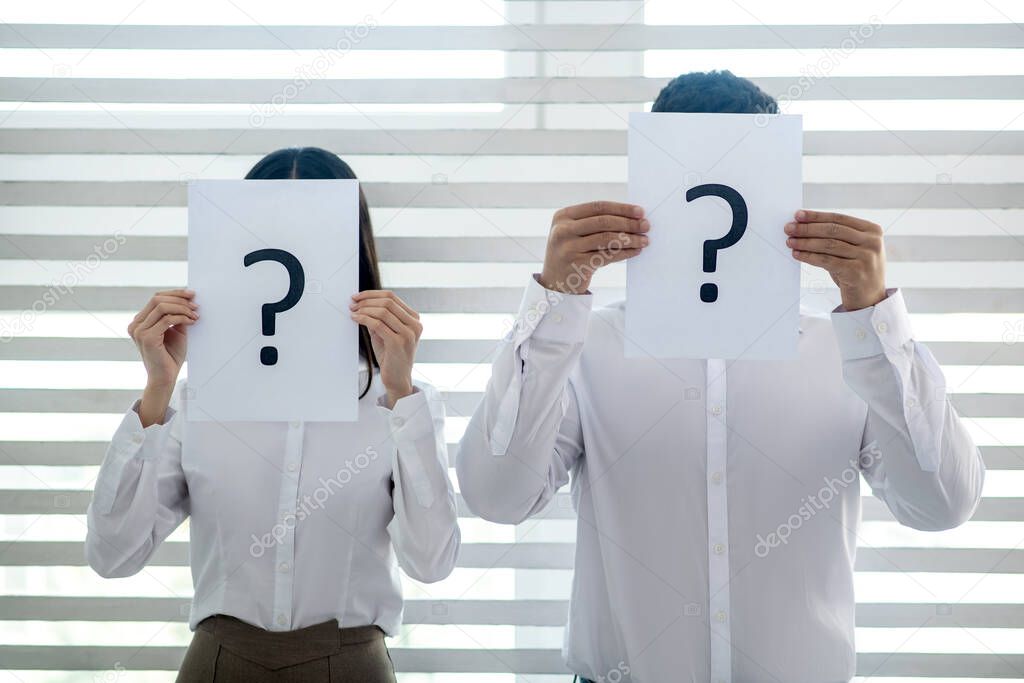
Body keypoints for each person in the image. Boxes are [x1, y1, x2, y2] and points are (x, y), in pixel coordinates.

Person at [456, 71, 984, 683]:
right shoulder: (585, 344)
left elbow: (941, 503)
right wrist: (551, 304)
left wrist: (876, 321)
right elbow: (496, 497)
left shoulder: (850, 351)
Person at [85, 147, 461, 682]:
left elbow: (433, 562)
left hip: (352, 665)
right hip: (219, 664)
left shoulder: (396, 401)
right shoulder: (196, 401)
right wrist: (157, 391)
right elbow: (112, 554)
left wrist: (401, 392)